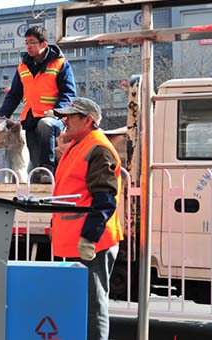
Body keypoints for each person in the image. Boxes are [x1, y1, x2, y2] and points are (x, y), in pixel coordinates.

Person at [51, 97, 123, 340]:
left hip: (93, 243)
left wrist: (89, 237)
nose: (65, 120)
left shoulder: (97, 148)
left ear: (88, 120)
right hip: (82, 240)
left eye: (71, 116)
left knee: (93, 306)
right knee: (85, 305)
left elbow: (105, 199)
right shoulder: (80, 145)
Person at [0, 25, 76, 184]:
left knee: (45, 125)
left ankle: (48, 168)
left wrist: (57, 111)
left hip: (53, 118)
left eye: (32, 42)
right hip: (31, 118)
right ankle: (40, 174)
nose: (28, 46)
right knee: (34, 157)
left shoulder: (60, 64)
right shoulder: (23, 67)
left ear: (43, 44)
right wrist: (1, 116)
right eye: (26, 43)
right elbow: (14, 95)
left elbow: (68, 93)